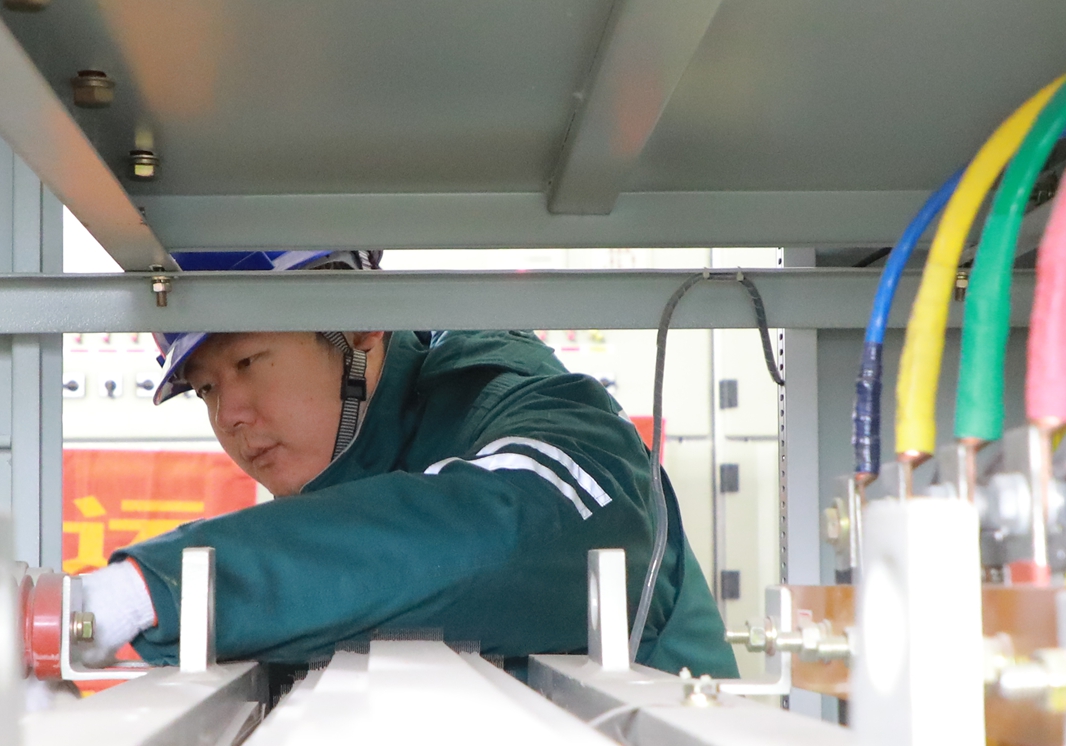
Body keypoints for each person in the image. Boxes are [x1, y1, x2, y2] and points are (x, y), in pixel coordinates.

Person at [70, 250, 738, 676]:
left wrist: (149, 591)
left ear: (360, 324)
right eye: (207, 389)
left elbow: (511, 536)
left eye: (248, 362)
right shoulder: (335, 471)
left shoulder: (510, 395)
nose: (230, 415)